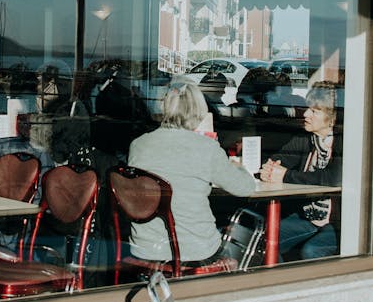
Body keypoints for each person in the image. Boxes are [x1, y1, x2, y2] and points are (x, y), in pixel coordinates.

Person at [127, 81, 256, 267]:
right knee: (245, 242)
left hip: (145, 247)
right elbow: (245, 187)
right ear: (199, 111)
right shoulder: (206, 147)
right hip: (193, 250)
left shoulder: (138, 144)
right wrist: (238, 166)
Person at [259, 81, 341, 260]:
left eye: (314, 111)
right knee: (265, 241)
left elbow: (333, 179)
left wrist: (286, 175)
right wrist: (269, 169)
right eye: (307, 108)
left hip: (337, 223)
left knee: (311, 251)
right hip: (308, 217)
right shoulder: (306, 138)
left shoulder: (343, 141)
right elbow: (277, 159)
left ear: (332, 119)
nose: (305, 114)